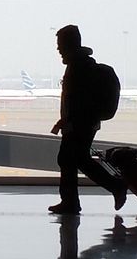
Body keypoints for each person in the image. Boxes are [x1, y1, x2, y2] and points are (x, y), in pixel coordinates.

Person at [49, 25, 127, 214]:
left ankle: (112, 187)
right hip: (82, 123)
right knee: (76, 159)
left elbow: (76, 100)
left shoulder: (78, 67)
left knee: (70, 159)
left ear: (69, 44)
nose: (58, 49)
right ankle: (73, 200)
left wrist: (68, 121)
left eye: (60, 44)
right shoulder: (80, 64)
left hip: (79, 124)